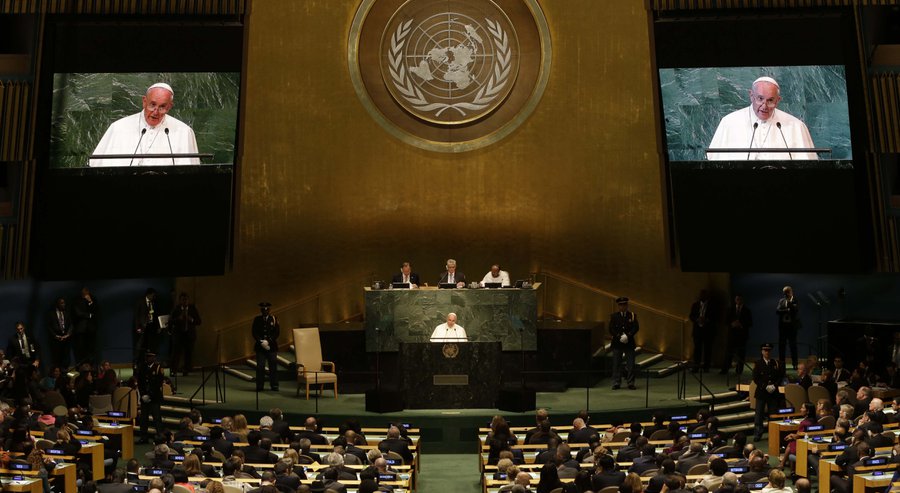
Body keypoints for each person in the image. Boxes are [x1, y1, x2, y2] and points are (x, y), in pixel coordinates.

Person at [707, 76, 817, 160]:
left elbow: (808, 162)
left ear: (777, 100)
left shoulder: (795, 126)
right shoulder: (729, 122)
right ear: (751, 96)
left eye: (770, 100)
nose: (764, 106)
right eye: (760, 98)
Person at [90, 82, 200, 167]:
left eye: (162, 107)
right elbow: (96, 167)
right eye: (152, 105)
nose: (156, 112)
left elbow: (193, 170)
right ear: (144, 101)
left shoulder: (184, 132)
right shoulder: (118, 128)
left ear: (170, 107)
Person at [753, 343, 785, 442]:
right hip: (762, 392)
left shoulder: (775, 363)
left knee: (773, 414)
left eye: (769, 350)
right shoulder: (758, 363)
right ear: (762, 352)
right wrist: (765, 386)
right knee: (759, 414)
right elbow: (756, 378)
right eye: (765, 350)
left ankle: (773, 433)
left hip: (773, 393)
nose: (767, 352)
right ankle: (758, 433)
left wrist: (774, 386)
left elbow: (780, 376)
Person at [609, 296, 639, 390]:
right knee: (616, 364)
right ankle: (616, 382)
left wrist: (628, 335)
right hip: (617, 343)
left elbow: (636, 327)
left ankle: (630, 383)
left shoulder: (632, 315)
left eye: (624, 305)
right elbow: (611, 329)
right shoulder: (614, 316)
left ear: (627, 305)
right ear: (618, 306)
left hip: (629, 343)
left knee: (630, 364)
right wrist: (619, 336)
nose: (623, 306)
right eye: (621, 305)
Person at [169, 292, 202, 376]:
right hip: (178, 335)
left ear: (188, 300)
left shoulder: (192, 309)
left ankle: (186, 370)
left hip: (189, 335)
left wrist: (192, 320)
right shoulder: (176, 309)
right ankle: (173, 370)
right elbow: (170, 321)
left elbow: (199, 321)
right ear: (180, 300)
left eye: (186, 299)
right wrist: (178, 319)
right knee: (176, 354)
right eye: (183, 300)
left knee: (188, 353)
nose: (185, 301)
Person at [721, 294, 753, 375]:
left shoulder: (747, 310)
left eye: (740, 299)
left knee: (741, 354)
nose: (738, 300)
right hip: (732, 335)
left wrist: (741, 324)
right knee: (728, 353)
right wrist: (732, 324)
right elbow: (726, 321)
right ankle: (725, 369)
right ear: (735, 300)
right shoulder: (730, 309)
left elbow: (750, 323)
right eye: (737, 299)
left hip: (742, 335)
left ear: (742, 300)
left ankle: (739, 371)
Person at [137, 351, 164, 443]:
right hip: (144, 398)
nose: (148, 358)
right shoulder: (142, 367)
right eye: (147, 357)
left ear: (154, 358)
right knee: (143, 418)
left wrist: (149, 395)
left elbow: (158, 383)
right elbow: (140, 382)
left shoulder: (158, 368)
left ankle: (160, 437)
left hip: (154, 398)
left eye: (150, 357)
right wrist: (143, 394)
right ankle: (143, 437)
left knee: (157, 418)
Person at [252, 302, 280, 391]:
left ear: (269, 310)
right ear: (261, 310)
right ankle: (260, 386)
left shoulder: (274, 319)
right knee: (260, 367)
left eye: (267, 309)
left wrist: (268, 341)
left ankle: (274, 385)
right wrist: (261, 341)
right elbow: (254, 332)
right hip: (260, 347)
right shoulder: (257, 319)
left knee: (273, 366)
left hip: (271, 347)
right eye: (263, 310)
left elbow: (277, 332)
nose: (265, 311)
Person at [689, 290, 716, 372]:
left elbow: (715, 317)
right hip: (697, 331)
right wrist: (697, 319)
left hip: (708, 331)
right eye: (701, 295)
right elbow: (691, 316)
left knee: (708, 349)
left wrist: (706, 320)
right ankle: (696, 366)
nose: (702, 296)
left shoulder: (712, 306)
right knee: (697, 349)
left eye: (704, 295)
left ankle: (706, 367)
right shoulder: (695, 305)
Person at [73, 287, 99, 368]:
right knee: (81, 349)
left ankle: (91, 366)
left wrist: (90, 302)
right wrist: (89, 315)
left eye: (87, 293)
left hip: (90, 330)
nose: (86, 295)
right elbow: (78, 313)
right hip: (80, 330)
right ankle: (81, 367)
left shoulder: (92, 300)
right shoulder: (76, 301)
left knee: (91, 350)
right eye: (84, 293)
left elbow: (96, 311)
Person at [133, 288, 159, 365]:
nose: (153, 297)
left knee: (150, 345)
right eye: (153, 295)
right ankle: (136, 362)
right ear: (148, 294)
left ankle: (149, 362)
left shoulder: (153, 303)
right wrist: (137, 327)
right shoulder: (140, 301)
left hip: (151, 328)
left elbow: (155, 315)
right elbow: (136, 315)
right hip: (142, 327)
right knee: (139, 345)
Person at [776, 285, 800, 368]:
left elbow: (795, 310)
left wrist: (789, 306)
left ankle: (795, 364)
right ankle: (782, 364)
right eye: (784, 293)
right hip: (782, 328)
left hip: (792, 328)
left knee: (793, 346)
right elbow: (778, 311)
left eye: (787, 293)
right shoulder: (781, 301)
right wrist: (787, 310)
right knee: (781, 347)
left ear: (790, 292)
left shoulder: (795, 300)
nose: (785, 295)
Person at [47, 297, 73, 371]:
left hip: (66, 339)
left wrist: (68, 334)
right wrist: (55, 336)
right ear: (57, 304)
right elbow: (49, 326)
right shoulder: (51, 314)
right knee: (57, 359)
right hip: (56, 340)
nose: (64, 304)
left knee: (66, 358)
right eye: (61, 303)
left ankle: (65, 371)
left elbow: (71, 325)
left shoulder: (67, 312)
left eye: (64, 303)